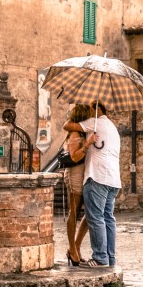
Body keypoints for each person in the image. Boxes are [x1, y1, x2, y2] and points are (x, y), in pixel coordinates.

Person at [63, 100, 121, 267]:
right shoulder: (112, 127)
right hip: (113, 179)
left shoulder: (95, 122)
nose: (87, 112)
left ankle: (100, 258)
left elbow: (68, 125)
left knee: (95, 218)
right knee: (108, 218)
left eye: (90, 109)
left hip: (97, 177)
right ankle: (110, 258)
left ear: (97, 110)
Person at [62, 104, 92, 266]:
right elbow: (73, 157)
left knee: (89, 212)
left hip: (84, 175)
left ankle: (76, 246)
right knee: (73, 211)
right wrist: (87, 146)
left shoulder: (83, 132)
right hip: (74, 174)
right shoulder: (75, 133)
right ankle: (72, 249)